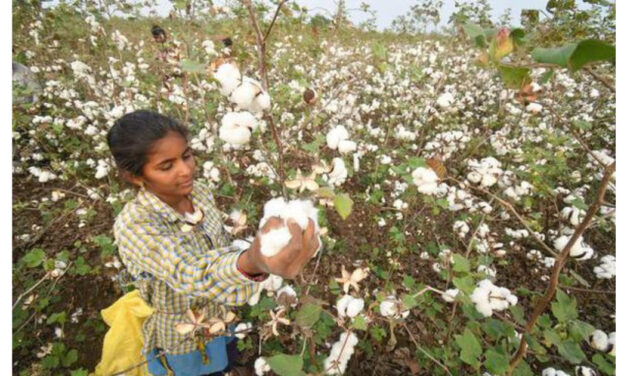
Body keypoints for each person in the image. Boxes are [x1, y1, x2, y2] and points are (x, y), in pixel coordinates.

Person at [104, 110, 319, 375]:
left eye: (186, 156)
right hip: (184, 336)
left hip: (223, 314)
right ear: (135, 177)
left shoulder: (200, 192)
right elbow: (189, 273)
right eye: (166, 166)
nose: (186, 170)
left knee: (226, 356)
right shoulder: (134, 227)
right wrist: (252, 261)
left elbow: (218, 246)